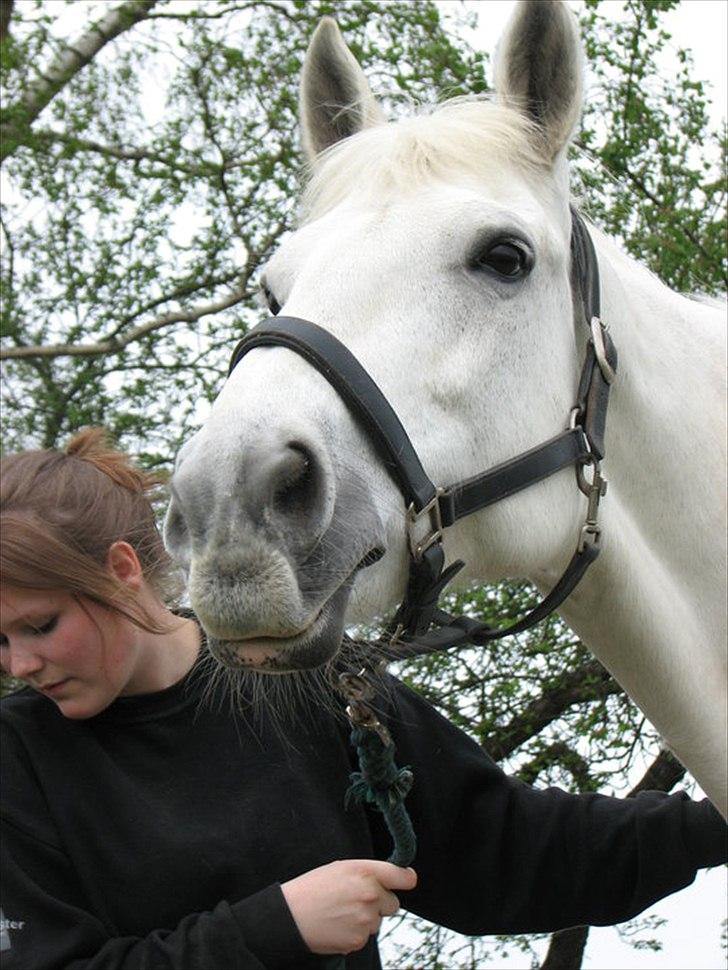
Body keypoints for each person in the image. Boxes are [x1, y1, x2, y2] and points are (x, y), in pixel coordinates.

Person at [0, 429, 725, 970]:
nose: (20, 664)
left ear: (122, 571)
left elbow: (511, 849)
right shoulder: (16, 758)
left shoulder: (310, 681)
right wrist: (273, 928)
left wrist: (712, 823)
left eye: (39, 626)